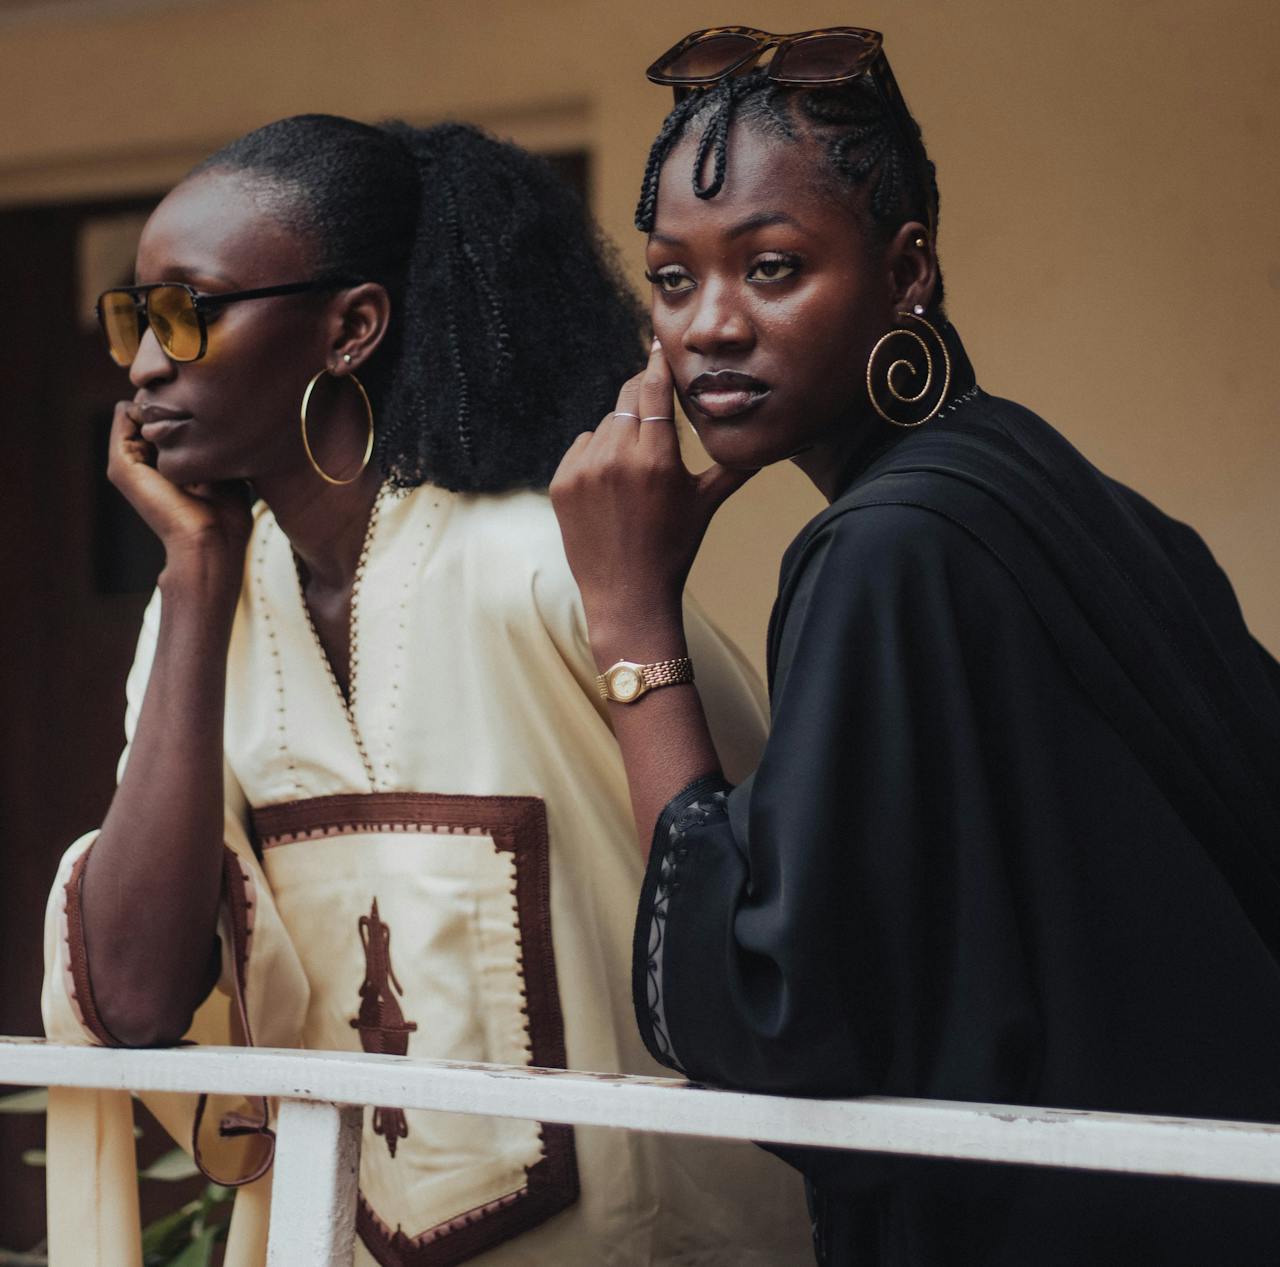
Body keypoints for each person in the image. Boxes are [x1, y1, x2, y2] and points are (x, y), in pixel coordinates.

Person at [549, 26, 1280, 1267]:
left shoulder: (883, 552)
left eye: (772, 268)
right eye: (672, 280)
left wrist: (628, 622)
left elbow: (771, 1020)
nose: (708, 327)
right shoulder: (1039, 487)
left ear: (906, 273)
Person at [40, 114, 812, 1267]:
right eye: (134, 316)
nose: (146, 361)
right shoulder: (197, 616)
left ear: (349, 327)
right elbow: (140, 998)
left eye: (188, 310)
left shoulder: (548, 564)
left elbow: (772, 900)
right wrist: (195, 578)